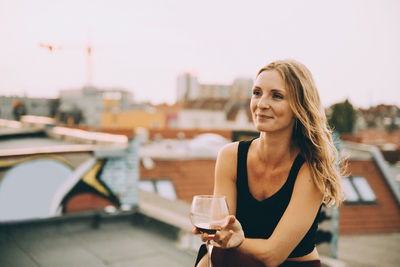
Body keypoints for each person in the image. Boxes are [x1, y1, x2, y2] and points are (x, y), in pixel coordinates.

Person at [194, 59, 344, 267]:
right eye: (257, 92)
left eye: (277, 96)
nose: (261, 104)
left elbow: (273, 255)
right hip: (237, 260)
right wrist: (220, 236)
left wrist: (238, 241)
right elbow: (223, 233)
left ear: (299, 106)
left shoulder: (311, 169)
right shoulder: (230, 156)